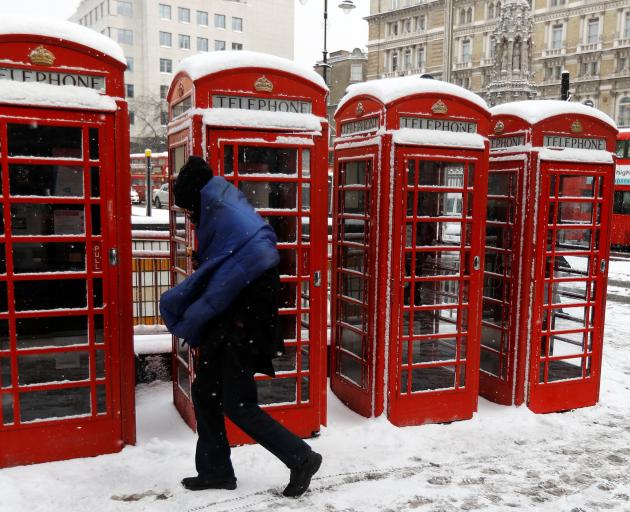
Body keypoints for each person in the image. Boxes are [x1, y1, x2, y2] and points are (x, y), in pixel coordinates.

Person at [160, 156, 322, 498]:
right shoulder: (224, 217)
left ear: (200, 200)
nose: (191, 218)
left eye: (190, 211)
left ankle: (300, 457)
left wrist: (227, 323)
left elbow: (245, 284)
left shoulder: (235, 227)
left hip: (242, 329)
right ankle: (215, 470)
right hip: (229, 327)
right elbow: (220, 273)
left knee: (238, 404)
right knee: (205, 391)